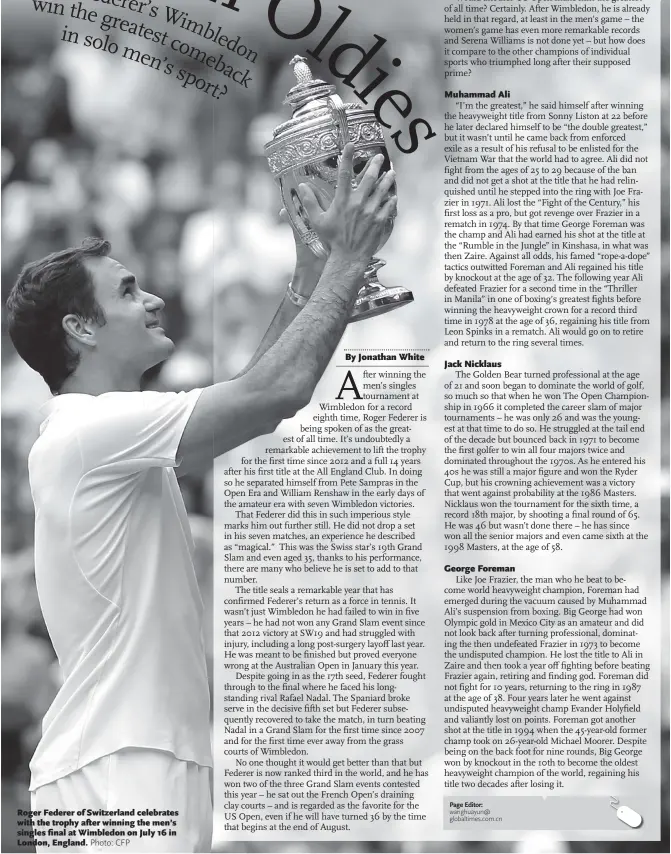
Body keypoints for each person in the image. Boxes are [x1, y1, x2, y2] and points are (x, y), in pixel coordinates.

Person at [5, 144, 396, 852]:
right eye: (126, 292)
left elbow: (256, 394)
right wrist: (346, 262)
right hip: (119, 764)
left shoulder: (108, 440)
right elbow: (274, 392)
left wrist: (312, 275)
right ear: (80, 329)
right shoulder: (92, 430)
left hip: (137, 758)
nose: (151, 297)